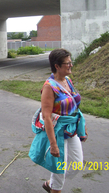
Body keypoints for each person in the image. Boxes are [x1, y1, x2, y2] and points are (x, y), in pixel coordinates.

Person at [29, 48, 88, 193]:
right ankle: (55, 187)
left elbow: (74, 106)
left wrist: (81, 127)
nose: (71, 65)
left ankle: (51, 184)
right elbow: (46, 117)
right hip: (58, 134)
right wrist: (53, 145)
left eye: (70, 62)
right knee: (60, 170)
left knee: (77, 165)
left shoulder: (67, 80)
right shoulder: (49, 87)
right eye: (67, 63)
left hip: (72, 130)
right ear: (57, 66)